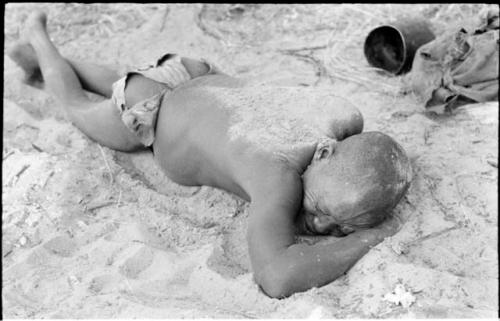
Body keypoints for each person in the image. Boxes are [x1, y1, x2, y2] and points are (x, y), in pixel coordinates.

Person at [8, 11, 412, 298]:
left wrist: (355, 206)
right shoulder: (277, 177)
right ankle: (41, 41)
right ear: (322, 152)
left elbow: (370, 160)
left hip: (192, 72)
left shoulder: (341, 116)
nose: (319, 224)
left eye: (337, 227)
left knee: (126, 82)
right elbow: (277, 277)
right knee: (79, 107)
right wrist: (367, 238)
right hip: (148, 111)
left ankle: (53, 58)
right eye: (322, 208)